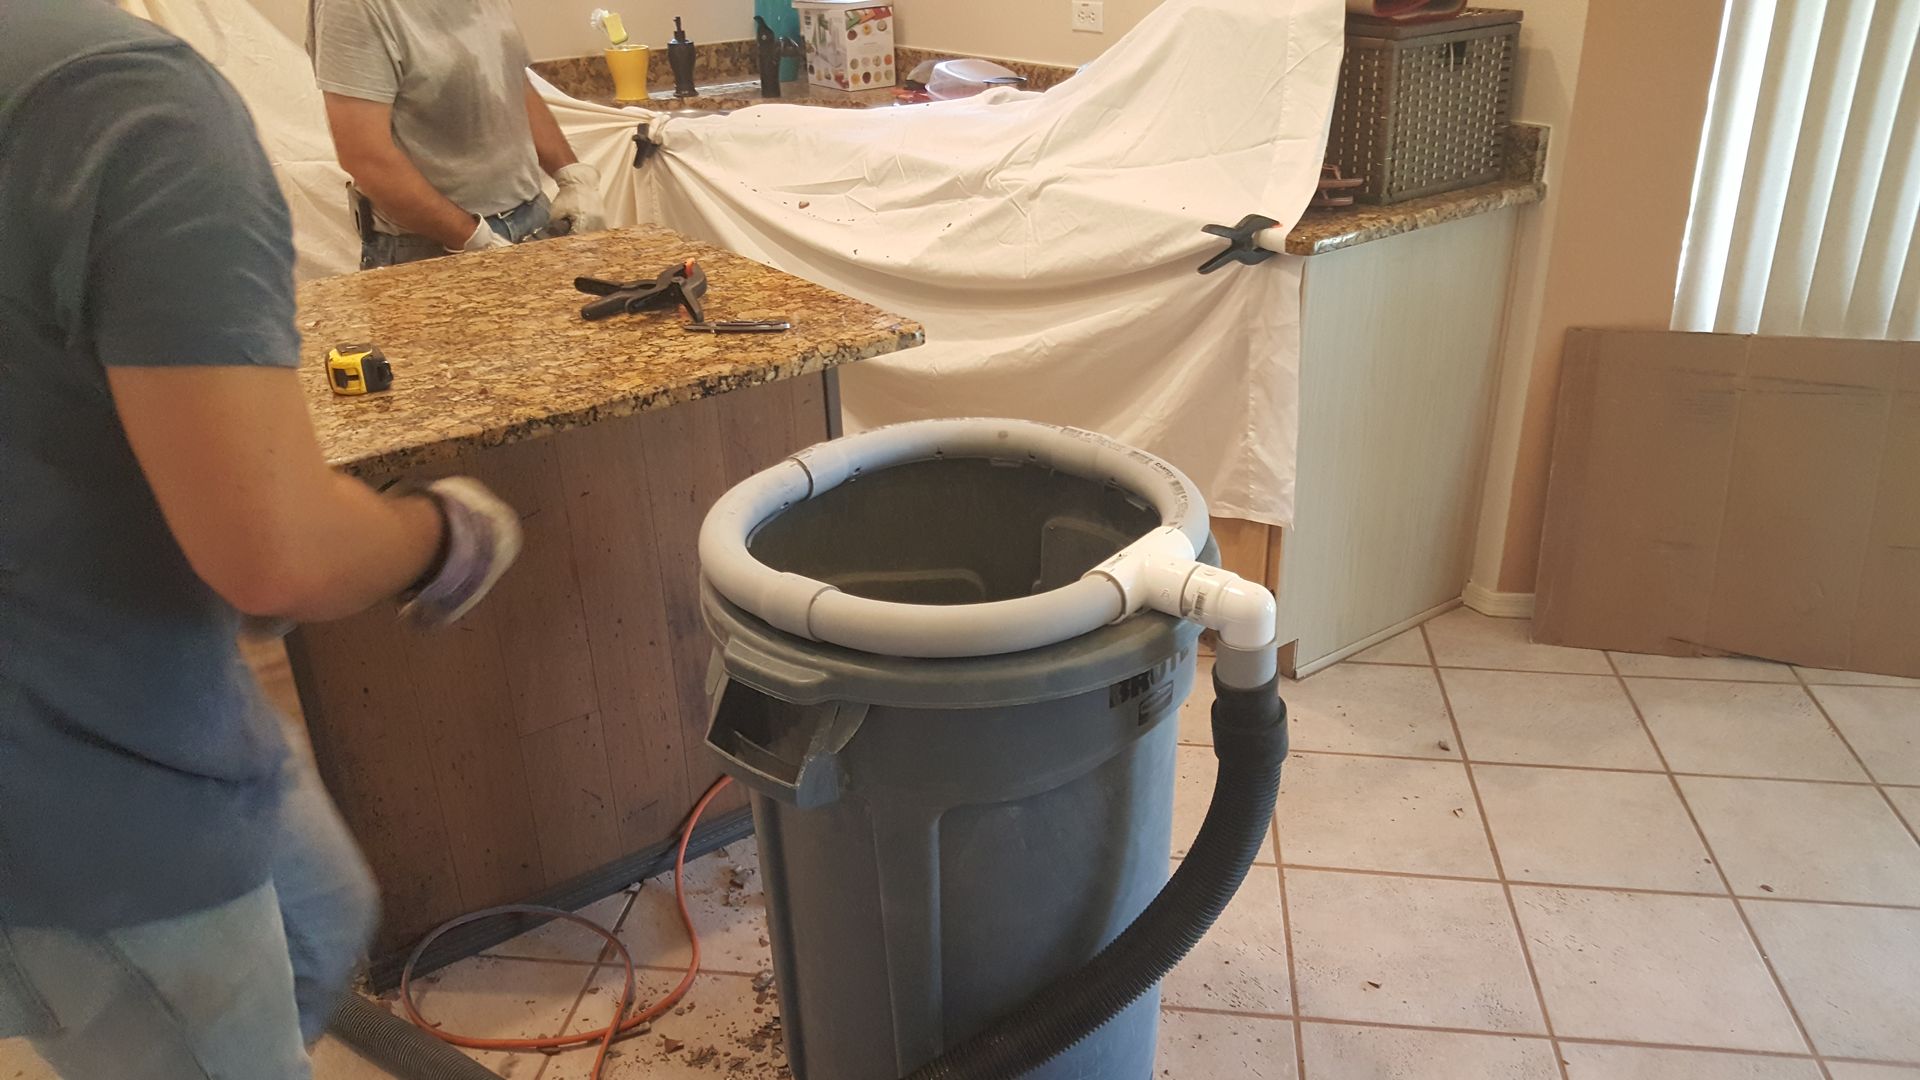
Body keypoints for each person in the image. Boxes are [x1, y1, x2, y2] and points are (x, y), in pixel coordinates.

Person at [0, 1, 524, 1075]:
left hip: (133, 691)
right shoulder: (128, 102)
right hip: (92, 793)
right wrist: (444, 536)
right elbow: (277, 552)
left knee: (324, 919)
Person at [308, 0, 608, 269]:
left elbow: (509, 83)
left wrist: (572, 175)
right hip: (431, 248)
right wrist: (473, 239)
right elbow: (366, 156)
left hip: (532, 218)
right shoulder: (352, 7)